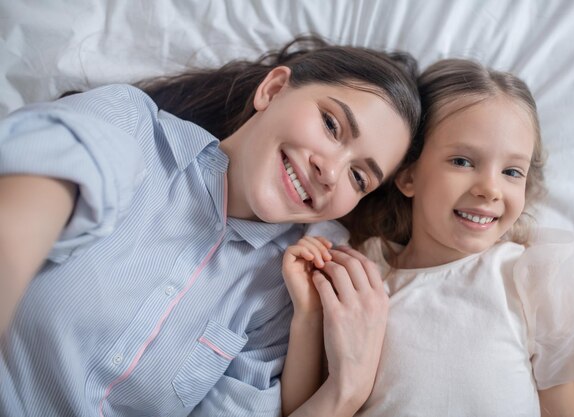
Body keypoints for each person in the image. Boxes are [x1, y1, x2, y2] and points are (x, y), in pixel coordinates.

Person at [0, 35, 421, 417]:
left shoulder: (278, 295)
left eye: (358, 177)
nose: (331, 172)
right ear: (272, 90)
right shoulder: (131, 129)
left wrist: (346, 391)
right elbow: (12, 228)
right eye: (331, 125)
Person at [282, 58, 574, 417]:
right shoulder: (361, 274)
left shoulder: (528, 275)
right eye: (462, 161)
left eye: (511, 171)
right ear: (409, 174)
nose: (490, 189)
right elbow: (305, 407)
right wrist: (308, 316)